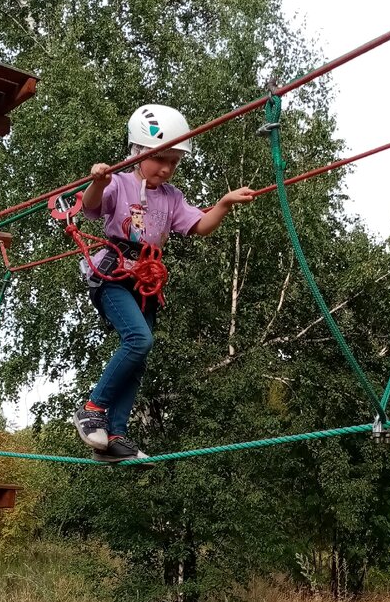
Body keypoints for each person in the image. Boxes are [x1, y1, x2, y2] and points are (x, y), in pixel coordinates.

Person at [73, 103, 255, 460]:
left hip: (146, 282)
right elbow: (92, 208)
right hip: (112, 275)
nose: (168, 168)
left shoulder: (172, 197)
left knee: (138, 357)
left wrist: (223, 204)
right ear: (139, 152)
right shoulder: (120, 181)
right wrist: (98, 181)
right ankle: (92, 409)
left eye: (175, 162)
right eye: (162, 159)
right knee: (138, 340)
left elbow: (198, 226)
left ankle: (116, 437)